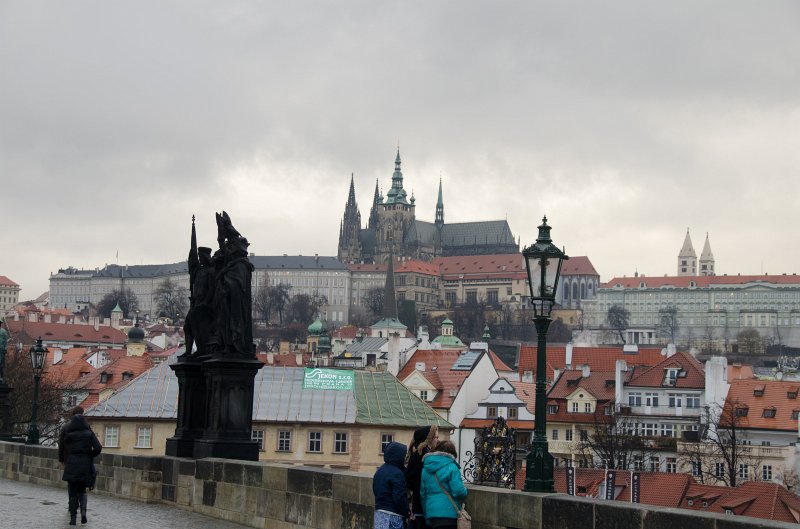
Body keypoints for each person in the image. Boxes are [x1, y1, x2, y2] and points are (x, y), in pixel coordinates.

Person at [59, 406, 102, 525]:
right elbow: (98, 448)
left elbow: (63, 447)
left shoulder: (70, 435)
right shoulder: (89, 433)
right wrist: (90, 455)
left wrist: (63, 459)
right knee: (82, 490)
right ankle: (83, 514)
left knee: (72, 491)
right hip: (85, 464)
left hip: (72, 463)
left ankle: (73, 518)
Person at [419, 440, 468, 529]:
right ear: (452, 453)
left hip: (432, 514)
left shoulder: (425, 469)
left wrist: (427, 514)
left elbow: (423, 495)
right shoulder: (452, 467)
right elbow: (458, 491)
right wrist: (465, 491)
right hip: (449, 514)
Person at [405, 425, 439, 529]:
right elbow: (410, 479)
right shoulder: (421, 455)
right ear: (429, 439)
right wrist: (424, 487)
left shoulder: (422, 453)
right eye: (436, 437)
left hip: (421, 503)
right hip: (421, 504)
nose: (437, 440)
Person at [372, 441, 409, 529]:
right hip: (392, 515)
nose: (405, 458)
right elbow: (398, 497)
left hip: (379, 514)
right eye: (404, 455)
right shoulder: (397, 473)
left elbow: (375, 490)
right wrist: (406, 511)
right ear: (398, 455)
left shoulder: (379, 470)